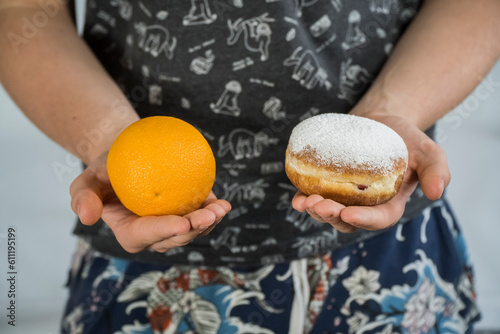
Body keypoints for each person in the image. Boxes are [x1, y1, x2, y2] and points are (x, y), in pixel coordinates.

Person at [1, 0, 499, 333]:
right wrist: (111, 140)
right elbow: (22, 12)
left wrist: (389, 118)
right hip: (143, 255)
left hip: (387, 253)